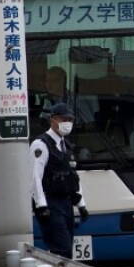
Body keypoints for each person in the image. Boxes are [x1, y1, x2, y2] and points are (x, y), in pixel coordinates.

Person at [31, 103, 88, 258]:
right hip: (50, 203)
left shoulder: (67, 146)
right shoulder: (41, 144)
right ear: (53, 120)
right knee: (62, 248)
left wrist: (81, 204)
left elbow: (74, 177)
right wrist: (41, 205)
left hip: (66, 203)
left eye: (70, 119)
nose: (67, 123)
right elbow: (35, 177)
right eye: (64, 119)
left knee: (67, 249)